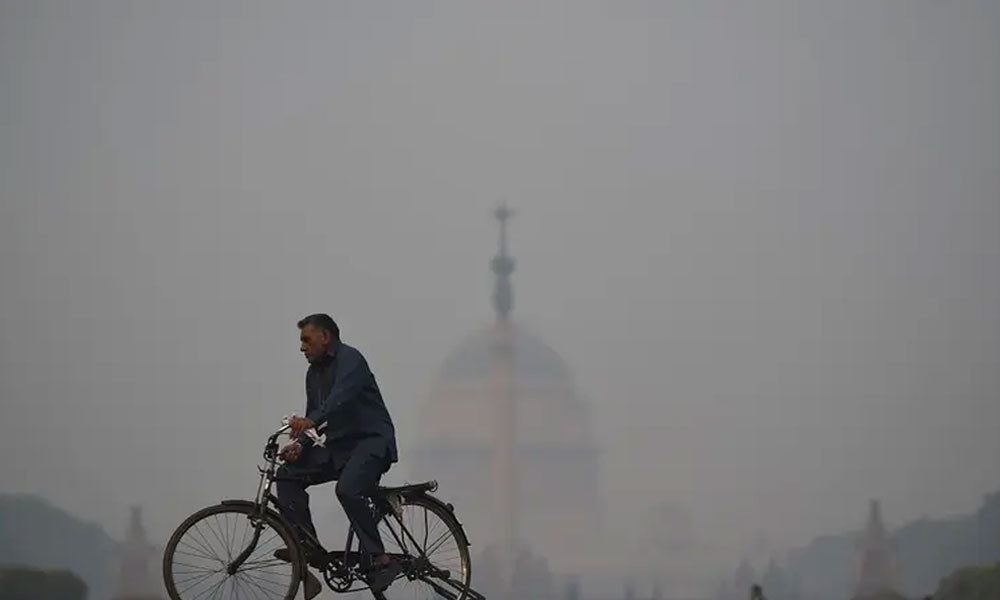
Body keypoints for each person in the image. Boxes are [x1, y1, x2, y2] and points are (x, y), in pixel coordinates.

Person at [274, 313, 401, 596]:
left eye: (306, 340)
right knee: (286, 476)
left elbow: (337, 401)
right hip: (339, 447)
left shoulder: (351, 360)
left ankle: (382, 560)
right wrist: (300, 446)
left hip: (371, 444)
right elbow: (315, 418)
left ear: (325, 336)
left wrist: (311, 421)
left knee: (348, 490)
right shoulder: (313, 374)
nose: (302, 348)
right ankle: (306, 549)